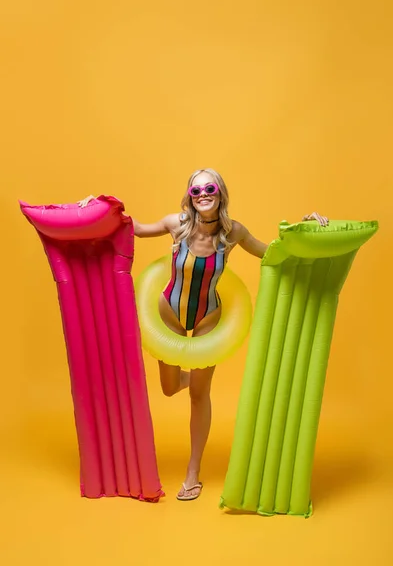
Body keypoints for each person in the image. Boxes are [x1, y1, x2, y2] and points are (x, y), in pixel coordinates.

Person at [78, 169, 328, 501]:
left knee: (200, 395)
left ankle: (192, 473)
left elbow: (273, 253)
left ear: (220, 193)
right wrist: (98, 206)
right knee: (169, 388)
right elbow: (133, 228)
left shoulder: (233, 232)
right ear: (190, 197)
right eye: (196, 191)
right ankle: (189, 379)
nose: (203, 195)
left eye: (209, 188)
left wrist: (305, 228)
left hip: (209, 315)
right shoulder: (176, 224)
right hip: (170, 311)